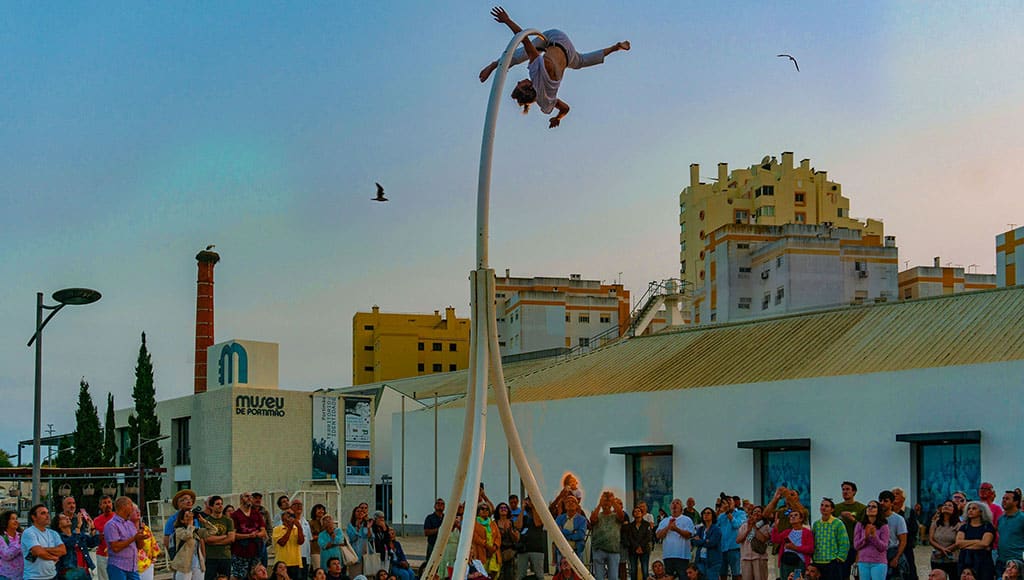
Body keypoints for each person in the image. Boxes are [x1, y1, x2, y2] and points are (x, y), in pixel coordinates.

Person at [480, 7, 630, 129]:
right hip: (556, 38)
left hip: (569, 55)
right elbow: (524, 39)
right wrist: (507, 20)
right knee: (525, 52)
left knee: (582, 61)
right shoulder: (536, 70)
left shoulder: (545, 102)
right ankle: (494, 65)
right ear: (526, 88)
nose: (519, 81)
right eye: (520, 84)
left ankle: (615, 48)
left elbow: (565, 109)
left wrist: (558, 118)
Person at [171, 509, 219, 580]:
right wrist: (190, 524)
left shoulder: (195, 531)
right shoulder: (179, 530)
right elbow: (187, 536)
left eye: (191, 516)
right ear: (182, 520)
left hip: (197, 564)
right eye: (187, 516)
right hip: (184, 565)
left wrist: (204, 521)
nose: (190, 518)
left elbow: (214, 530)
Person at [165, 490, 203, 580]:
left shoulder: (195, 519)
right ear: (178, 505)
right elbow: (167, 540)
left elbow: (199, 538)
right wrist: (174, 559)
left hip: (195, 557)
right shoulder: (172, 520)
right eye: (184, 500)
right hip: (182, 560)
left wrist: (203, 557)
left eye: (190, 499)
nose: (188, 501)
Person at [104, 497, 145, 580]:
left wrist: (141, 537)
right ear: (123, 507)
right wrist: (134, 538)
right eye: (130, 505)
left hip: (132, 567)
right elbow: (115, 547)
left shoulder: (130, 524)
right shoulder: (111, 525)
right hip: (117, 567)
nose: (132, 507)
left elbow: (140, 546)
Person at [22, 504, 66, 580]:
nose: (47, 516)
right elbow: (39, 552)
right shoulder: (29, 532)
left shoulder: (53, 533)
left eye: (47, 513)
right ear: (34, 517)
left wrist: (43, 549)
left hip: (53, 576)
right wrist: (53, 557)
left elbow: (63, 550)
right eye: (43, 513)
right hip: (33, 577)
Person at [656, 499, 696, 579]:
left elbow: (689, 534)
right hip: (668, 555)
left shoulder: (687, 520)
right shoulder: (665, 521)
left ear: (681, 507)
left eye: (677, 503)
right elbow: (658, 535)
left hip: (682, 556)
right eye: (673, 503)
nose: (675, 505)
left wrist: (676, 529)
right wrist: (668, 527)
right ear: (670, 507)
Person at [232, 492, 268, 580]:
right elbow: (233, 535)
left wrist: (256, 535)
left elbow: (263, 532)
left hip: (256, 552)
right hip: (241, 553)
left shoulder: (256, 514)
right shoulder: (235, 515)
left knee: (256, 577)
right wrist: (248, 536)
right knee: (241, 577)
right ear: (241, 499)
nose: (249, 498)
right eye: (246, 496)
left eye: (250, 497)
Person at [590, 491, 625, 580]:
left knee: (613, 577)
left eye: (607, 502)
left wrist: (613, 501)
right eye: (605, 502)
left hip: (613, 550)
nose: (606, 504)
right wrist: (600, 504)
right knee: (599, 577)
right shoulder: (598, 515)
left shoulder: (615, 516)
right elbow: (593, 520)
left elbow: (621, 516)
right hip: (599, 549)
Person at [955, 502, 995, 580]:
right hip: (965, 560)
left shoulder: (988, 527)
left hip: (983, 561)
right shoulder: (964, 527)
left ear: (981, 512)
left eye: (974, 508)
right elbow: (958, 543)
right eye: (969, 509)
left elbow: (985, 543)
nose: (970, 510)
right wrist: (977, 541)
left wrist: (965, 545)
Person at [770, 509, 814, 580]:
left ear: (801, 519)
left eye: (795, 515)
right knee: (785, 578)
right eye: (791, 516)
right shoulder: (787, 532)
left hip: (798, 564)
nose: (793, 517)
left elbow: (810, 549)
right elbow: (775, 540)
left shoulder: (807, 532)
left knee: (796, 579)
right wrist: (775, 527)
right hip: (785, 563)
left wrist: (795, 548)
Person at [812, 498, 849, 580]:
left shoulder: (838, 523)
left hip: (832, 562)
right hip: (818, 562)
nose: (823, 508)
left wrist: (839, 558)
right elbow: (813, 542)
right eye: (822, 505)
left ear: (832, 509)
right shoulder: (816, 524)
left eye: (827, 506)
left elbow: (844, 542)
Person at [55, 511, 97, 580]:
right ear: (58, 525)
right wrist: (78, 526)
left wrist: (92, 527)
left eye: (67, 517)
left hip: (84, 573)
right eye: (63, 518)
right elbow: (71, 543)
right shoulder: (59, 538)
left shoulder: (78, 534)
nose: (67, 518)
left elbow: (94, 543)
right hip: (69, 575)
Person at [836, 483, 866, 580]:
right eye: (843, 489)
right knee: (842, 574)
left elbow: (865, 527)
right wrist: (840, 517)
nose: (845, 492)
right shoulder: (836, 508)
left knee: (857, 574)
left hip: (856, 547)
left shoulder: (862, 508)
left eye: (848, 489)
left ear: (854, 492)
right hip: (841, 547)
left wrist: (852, 520)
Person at [854, 501, 890, 580]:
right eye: (868, 506)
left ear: (878, 510)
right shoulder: (860, 525)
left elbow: (883, 547)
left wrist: (874, 537)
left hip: (878, 562)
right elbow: (856, 546)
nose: (870, 508)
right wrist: (865, 538)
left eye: (873, 506)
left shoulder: (884, 526)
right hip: (863, 562)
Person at [878, 491, 908, 580]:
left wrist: (896, 558)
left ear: (892, 503)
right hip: (877, 554)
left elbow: (903, 541)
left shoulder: (898, 519)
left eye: (885, 501)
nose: (882, 503)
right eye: (880, 500)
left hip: (891, 552)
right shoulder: (875, 517)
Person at [204, 496, 236, 580]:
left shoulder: (228, 521)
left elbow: (231, 538)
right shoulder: (206, 521)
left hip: (225, 556)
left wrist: (214, 542)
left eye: (221, 504)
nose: (220, 506)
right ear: (211, 506)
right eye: (217, 504)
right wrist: (224, 536)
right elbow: (207, 539)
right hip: (211, 557)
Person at [515, 496, 546, 580]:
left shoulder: (539, 515)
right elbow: (517, 526)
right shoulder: (524, 517)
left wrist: (533, 507)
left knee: (539, 574)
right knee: (520, 575)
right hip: (523, 549)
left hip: (536, 549)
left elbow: (537, 523)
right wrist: (523, 508)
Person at [929, 500, 962, 579]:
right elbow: (931, 539)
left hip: (953, 559)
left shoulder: (958, 525)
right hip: (936, 558)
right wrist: (941, 549)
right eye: (945, 505)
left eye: (950, 505)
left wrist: (944, 552)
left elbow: (958, 543)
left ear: (954, 510)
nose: (946, 506)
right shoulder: (935, 523)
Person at [737, 506, 770, 580]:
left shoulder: (765, 526)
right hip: (745, 557)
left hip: (759, 557)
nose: (756, 513)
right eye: (754, 511)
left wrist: (754, 526)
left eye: (759, 511)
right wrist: (748, 530)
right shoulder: (744, 525)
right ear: (751, 514)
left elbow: (763, 539)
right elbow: (738, 540)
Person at [716, 496, 745, 580]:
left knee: (736, 573)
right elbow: (715, 527)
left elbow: (737, 525)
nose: (727, 504)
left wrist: (728, 513)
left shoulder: (740, 513)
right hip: (722, 548)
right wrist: (719, 509)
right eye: (725, 502)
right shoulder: (721, 516)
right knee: (722, 574)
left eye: (729, 501)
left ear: (734, 503)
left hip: (734, 548)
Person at [997, 491, 1024, 578]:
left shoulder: (1022, 518)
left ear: (1016, 502)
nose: (1004, 501)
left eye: (1007, 499)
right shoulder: (1000, 519)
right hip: (1001, 560)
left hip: (1017, 561)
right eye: (1003, 498)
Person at [470, 503, 501, 579]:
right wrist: (486, 546)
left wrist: (494, 547)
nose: (485, 511)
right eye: (482, 509)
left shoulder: (492, 523)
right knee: (483, 574)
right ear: (478, 511)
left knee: (494, 574)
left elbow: (498, 536)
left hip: (493, 552)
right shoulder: (474, 523)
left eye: (487, 509)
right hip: (481, 551)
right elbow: (475, 537)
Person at [623, 506, 654, 580]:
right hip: (633, 549)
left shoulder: (647, 524)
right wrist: (636, 546)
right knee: (633, 570)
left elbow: (648, 537)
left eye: (639, 511)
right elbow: (630, 537)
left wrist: (641, 546)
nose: (637, 513)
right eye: (635, 511)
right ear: (633, 514)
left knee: (645, 570)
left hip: (644, 549)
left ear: (642, 514)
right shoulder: (630, 526)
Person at [892, 489, 918, 580]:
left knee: (909, 570)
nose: (895, 495)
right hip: (891, 547)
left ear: (903, 498)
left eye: (897, 494)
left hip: (906, 547)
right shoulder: (887, 512)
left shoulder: (909, 512)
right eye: (893, 494)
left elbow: (914, 529)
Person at [554, 496, 587, 565]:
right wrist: (572, 532)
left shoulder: (582, 520)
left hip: (576, 552)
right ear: (565, 506)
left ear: (577, 506)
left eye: (573, 502)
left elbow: (580, 535)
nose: (570, 503)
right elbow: (557, 533)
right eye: (568, 502)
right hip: (562, 552)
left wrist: (564, 532)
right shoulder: (559, 518)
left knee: (577, 574)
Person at [692, 508, 722, 580]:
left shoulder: (716, 529)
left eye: (708, 513)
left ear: (712, 516)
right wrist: (705, 541)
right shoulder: (700, 529)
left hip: (712, 561)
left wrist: (700, 541)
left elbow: (712, 543)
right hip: (700, 560)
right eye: (704, 513)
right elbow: (694, 542)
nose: (706, 515)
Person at [274, 512, 305, 580]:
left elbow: (301, 542)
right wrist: (290, 529)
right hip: (281, 564)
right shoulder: (277, 529)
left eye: (291, 515)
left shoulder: (297, 529)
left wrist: (299, 527)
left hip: (296, 562)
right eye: (287, 515)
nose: (290, 517)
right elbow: (282, 542)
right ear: (282, 518)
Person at [130, 507, 160, 580]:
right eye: (134, 510)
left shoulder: (146, 529)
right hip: (130, 567)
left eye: (138, 510)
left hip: (147, 565)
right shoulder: (125, 529)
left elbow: (153, 543)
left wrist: (154, 558)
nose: (137, 512)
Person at [494, 503, 519, 580]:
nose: (503, 509)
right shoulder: (494, 523)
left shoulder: (511, 523)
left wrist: (510, 530)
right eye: (501, 508)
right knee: (499, 576)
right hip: (498, 552)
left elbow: (516, 539)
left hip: (510, 553)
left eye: (505, 508)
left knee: (510, 575)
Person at [94, 496, 116, 580]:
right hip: (102, 555)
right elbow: (93, 537)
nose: (107, 505)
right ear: (100, 506)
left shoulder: (118, 517)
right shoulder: (96, 520)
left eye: (109, 502)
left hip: (116, 554)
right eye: (105, 503)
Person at [345, 505, 371, 578]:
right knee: (355, 575)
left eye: (362, 511)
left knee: (367, 574)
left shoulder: (366, 524)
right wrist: (357, 528)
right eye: (358, 511)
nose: (360, 513)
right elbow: (352, 538)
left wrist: (369, 528)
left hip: (365, 551)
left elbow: (370, 537)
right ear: (354, 513)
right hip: (355, 552)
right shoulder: (350, 525)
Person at [289, 500, 312, 580]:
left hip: (305, 557)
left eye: (300, 504)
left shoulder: (306, 523)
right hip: (293, 557)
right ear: (291, 507)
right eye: (296, 504)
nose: (299, 506)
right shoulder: (288, 521)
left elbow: (309, 541)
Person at [1, 509, 24, 580]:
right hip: (6, 576)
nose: (16, 521)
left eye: (17, 519)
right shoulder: (1, 537)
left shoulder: (22, 535)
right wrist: (20, 544)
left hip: (23, 576)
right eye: (13, 519)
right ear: (5, 521)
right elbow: (6, 555)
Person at [250, 494, 272, 568]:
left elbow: (269, 527)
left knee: (263, 565)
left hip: (262, 542)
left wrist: (268, 540)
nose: (258, 500)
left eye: (259, 498)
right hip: (251, 543)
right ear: (251, 499)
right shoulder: (247, 511)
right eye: (256, 498)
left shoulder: (265, 512)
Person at [309, 506, 327, 573]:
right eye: (319, 509)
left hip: (326, 550)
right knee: (318, 570)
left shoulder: (326, 522)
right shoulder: (311, 523)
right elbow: (311, 537)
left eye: (323, 509)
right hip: (315, 550)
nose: (321, 511)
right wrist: (321, 536)